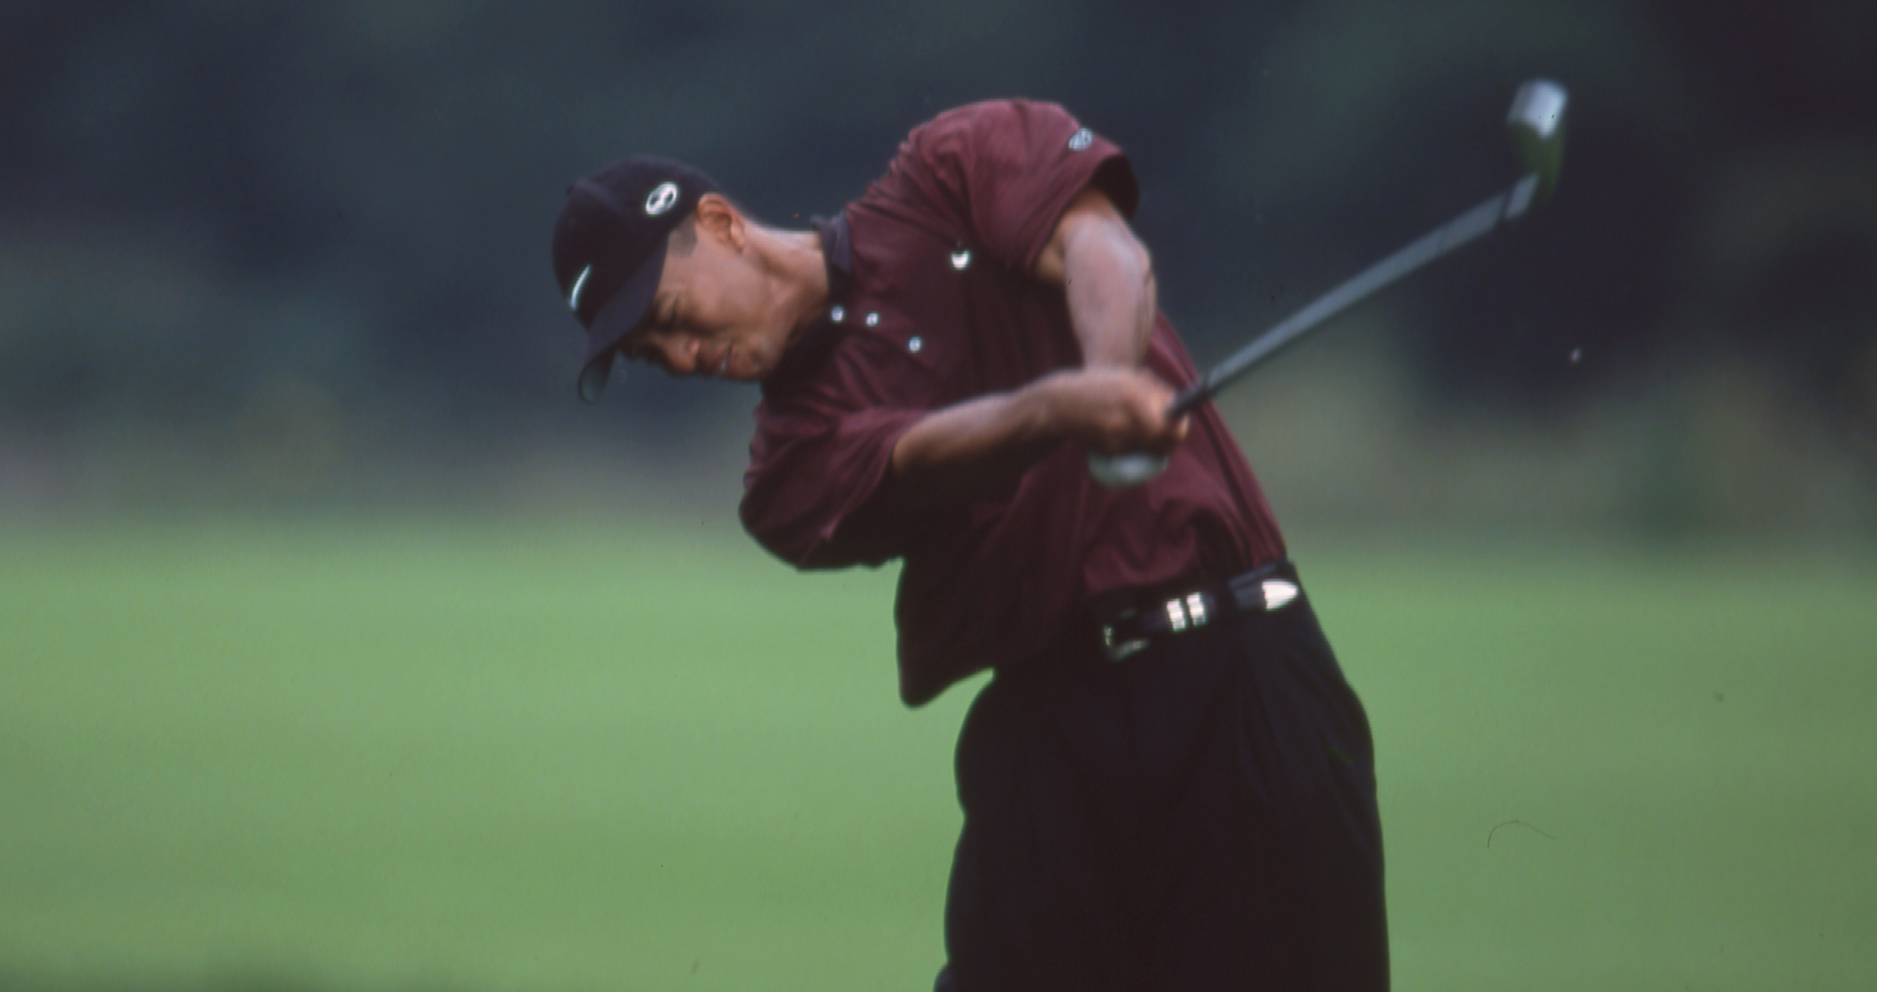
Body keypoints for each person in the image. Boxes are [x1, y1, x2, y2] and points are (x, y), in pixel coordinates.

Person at [549, 99, 1387, 992]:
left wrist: (1108, 372)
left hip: (1244, 686)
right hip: (1053, 735)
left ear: (717, 224)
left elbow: (1104, 251)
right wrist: (1064, 411)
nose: (680, 357)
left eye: (671, 315)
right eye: (650, 353)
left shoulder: (950, 168)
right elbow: (922, 459)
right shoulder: (783, 475)